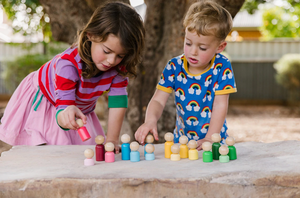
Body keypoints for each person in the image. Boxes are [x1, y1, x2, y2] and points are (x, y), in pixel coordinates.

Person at [0, 2, 145, 153]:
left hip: (79, 107)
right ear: (91, 36)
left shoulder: (118, 68)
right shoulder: (67, 66)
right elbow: (63, 110)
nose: (111, 61)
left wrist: (112, 140)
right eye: (107, 51)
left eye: (120, 55)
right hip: (48, 101)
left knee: (81, 153)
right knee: (53, 154)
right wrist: (66, 116)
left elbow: (118, 102)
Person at [135, 0, 236, 150]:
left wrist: (209, 138)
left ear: (219, 47)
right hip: (182, 142)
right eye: (188, 43)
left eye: (202, 47)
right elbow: (158, 100)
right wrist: (150, 120)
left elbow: (220, 105)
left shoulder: (222, 67)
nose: (193, 52)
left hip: (214, 142)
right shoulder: (174, 67)